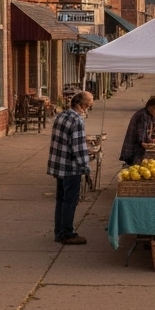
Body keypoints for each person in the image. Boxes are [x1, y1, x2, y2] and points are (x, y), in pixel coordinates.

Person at [48, 91, 93, 244]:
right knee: (70, 201)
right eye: (87, 106)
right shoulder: (77, 121)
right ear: (81, 105)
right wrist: (85, 166)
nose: (87, 109)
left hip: (59, 164)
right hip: (71, 167)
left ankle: (59, 231)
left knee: (61, 199)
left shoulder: (61, 116)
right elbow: (78, 148)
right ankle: (66, 233)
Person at [120, 95, 155, 166]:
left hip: (138, 150)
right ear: (150, 107)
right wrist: (152, 144)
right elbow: (141, 138)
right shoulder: (143, 116)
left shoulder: (149, 115)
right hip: (134, 151)